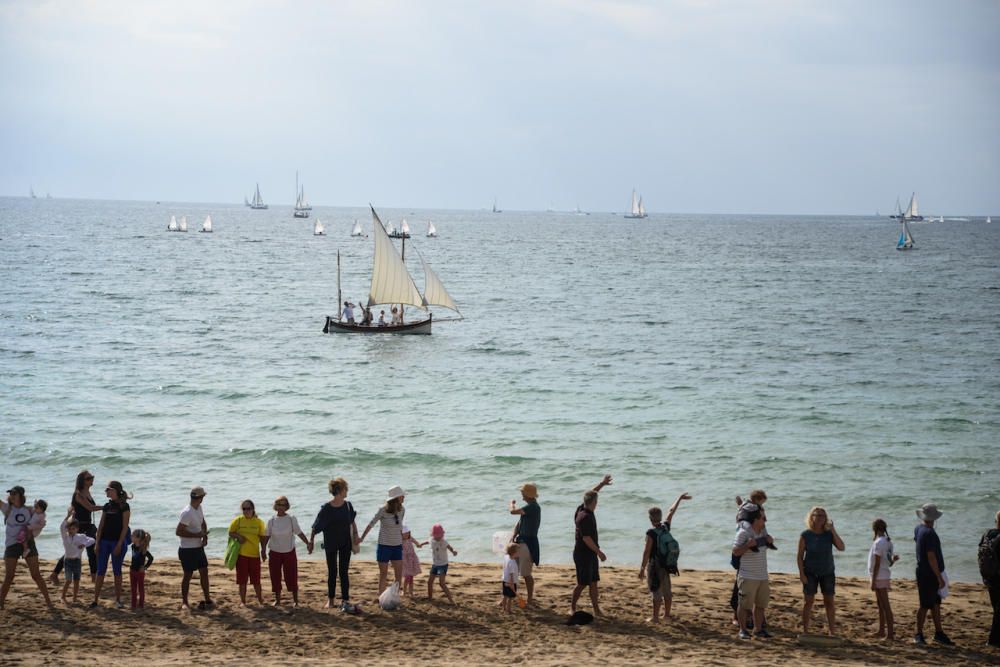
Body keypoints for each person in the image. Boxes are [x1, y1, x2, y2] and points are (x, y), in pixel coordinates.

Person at [638, 493, 691, 623]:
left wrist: (642, 568)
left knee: (656, 590)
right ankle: (666, 615)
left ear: (650, 519)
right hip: (667, 565)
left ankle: (655, 617)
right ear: (660, 518)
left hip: (655, 566)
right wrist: (679, 498)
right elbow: (671, 511)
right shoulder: (665, 527)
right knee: (667, 590)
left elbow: (646, 552)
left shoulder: (651, 533)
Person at [310, 477, 359, 612]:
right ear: (340, 490)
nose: (347, 491)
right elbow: (316, 526)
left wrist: (356, 536)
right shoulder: (327, 508)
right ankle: (330, 600)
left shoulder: (348, 505)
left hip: (345, 543)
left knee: (344, 572)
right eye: (346, 489)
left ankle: (345, 599)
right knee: (332, 571)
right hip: (331, 543)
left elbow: (352, 522)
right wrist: (311, 541)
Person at [0, 486, 52, 608]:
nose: (12, 495)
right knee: (9, 576)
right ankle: (1, 602)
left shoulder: (29, 510)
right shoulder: (7, 508)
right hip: (12, 545)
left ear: (21, 496)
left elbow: (40, 515)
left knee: (36, 575)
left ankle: (48, 601)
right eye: (10, 493)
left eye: (14, 493)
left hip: (28, 544)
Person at [797, 506, 845, 635]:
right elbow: (800, 556)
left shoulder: (829, 534)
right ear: (811, 517)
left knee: (829, 602)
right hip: (810, 572)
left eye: (822, 516)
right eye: (816, 515)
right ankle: (805, 630)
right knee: (808, 601)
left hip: (827, 572)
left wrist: (833, 530)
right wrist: (802, 574)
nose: (819, 518)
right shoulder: (805, 535)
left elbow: (841, 547)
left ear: (826, 519)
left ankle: (831, 631)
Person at [730, 490, 774, 627]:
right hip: (747, 554)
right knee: (742, 588)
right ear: (759, 499)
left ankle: (746, 617)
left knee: (742, 586)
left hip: (748, 554)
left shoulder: (745, 508)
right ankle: (741, 618)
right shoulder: (754, 511)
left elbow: (738, 520)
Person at [571, 474, 613, 617]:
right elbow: (587, 538)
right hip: (583, 554)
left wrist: (602, 484)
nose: (597, 503)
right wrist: (599, 552)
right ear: (594, 503)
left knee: (594, 581)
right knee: (582, 583)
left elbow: (591, 494)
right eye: (597, 501)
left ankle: (596, 610)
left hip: (590, 553)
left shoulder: (582, 507)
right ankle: (572, 607)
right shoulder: (585, 517)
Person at [50, 470, 102, 585]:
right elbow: (90, 508)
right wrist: (106, 507)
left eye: (92, 477)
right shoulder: (78, 494)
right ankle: (94, 578)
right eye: (88, 478)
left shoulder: (87, 492)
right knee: (78, 552)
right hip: (79, 526)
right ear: (82, 481)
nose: (91, 480)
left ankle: (55, 574)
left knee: (87, 551)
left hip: (87, 525)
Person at [913, 503, 953, 645]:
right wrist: (939, 576)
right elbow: (931, 557)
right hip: (928, 574)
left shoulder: (919, 529)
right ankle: (918, 634)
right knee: (925, 604)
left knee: (935, 602)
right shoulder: (930, 533)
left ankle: (939, 632)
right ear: (934, 518)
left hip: (923, 571)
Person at [263, 495, 311, 607]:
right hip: (274, 552)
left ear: (287, 506)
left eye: (283, 504)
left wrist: (308, 543)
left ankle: (295, 601)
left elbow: (299, 532)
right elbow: (266, 536)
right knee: (275, 576)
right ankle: (278, 600)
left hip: (289, 552)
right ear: (275, 506)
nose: (281, 507)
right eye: (279, 504)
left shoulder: (291, 519)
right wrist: (263, 550)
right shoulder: (271, 520)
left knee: (292, 575)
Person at [358, 485, 406, 596]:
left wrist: (403, 542)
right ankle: (381, 598)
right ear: (396, 497)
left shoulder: (402, 510)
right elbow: (371, 524)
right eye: (402, 496)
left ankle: (394, 597)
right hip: (384, 546)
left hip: (397, 546)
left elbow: (399, 527)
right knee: (383, 574)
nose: (404, 497)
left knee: (399, 574)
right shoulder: (383, 510)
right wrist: (362, 538)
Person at [91, 480, 132, 609]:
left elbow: (125, 527)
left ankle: (118, 600)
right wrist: (97, 543)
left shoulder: (124, 506)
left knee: (117, 571)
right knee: (100, 571)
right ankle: (95, 600)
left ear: (116, 491)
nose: (107, 491)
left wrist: (120, 544)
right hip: (104, 542)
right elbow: (101, 525)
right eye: (107, 489)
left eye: (109, 489)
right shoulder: (107, 506)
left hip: (117, 542)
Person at [176, 486, 212, 610]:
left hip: (198, 548)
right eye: (202, 497)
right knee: (188, 574)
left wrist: (205, 536)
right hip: (187, 549)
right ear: (200, 498)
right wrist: (197, 535)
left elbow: (202, 521)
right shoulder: (187, 512)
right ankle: (184, 602)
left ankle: (207, 599)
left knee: (204, 571)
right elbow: (178, 531)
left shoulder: (199, 508)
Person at [229, 499, 266, 606]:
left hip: (255, 555)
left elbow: (263, 538)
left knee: (256, 581)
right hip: (241, 555)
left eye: (248, 508)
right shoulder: (238, 520)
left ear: (253, 509)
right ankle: (243, 602)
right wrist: (238, 536)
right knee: (242, 581)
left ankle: (260, 600)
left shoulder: (259, 522)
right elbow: (231, 532)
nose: (246, 511)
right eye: (244, 509)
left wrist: (263, 551)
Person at [868, 518, 900, 641]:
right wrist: (894, 560)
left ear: (874, 529)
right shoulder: (888, 542)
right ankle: (881, 630)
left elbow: (877, 564)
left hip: (879, 576)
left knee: (885, 605)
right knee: (881, 605)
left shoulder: (878, 543)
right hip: (884, 574)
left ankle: (890, 634)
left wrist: (874, 580)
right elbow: (889, 562)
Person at [509, 482, 541, 606]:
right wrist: (513, 536)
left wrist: (512, 503)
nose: (521, 495)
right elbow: (519, 523)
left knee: (526, 574)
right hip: (520, 542)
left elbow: (512, 512)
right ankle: (508, 597)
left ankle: (530, 599)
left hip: (527, 544)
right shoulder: (529, 507)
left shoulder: (533, 507)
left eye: (522, 493)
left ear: (527, 494)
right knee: (513, 571)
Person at [59, 509, 96, 604]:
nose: (71, 530)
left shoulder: (81, 537)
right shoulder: (65, 536)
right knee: (68, 580)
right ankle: (63, 596)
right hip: (67, 561)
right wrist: (68, 516)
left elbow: (92, 540)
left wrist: (84, 544)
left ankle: (75, 598)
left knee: (76, 581)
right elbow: (62, 527)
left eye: (73, 529)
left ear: (77, 529)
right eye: (70, 529)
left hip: (77, 561)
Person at [981, 510, 1000, 648]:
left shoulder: (987, 534)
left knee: (996, 608)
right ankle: (993, 640)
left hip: (989, 577)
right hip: (998, 577)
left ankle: (994, 640)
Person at [427, 523, 457, 603]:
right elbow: (427, 541)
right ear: (433, 535)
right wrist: (420, 544)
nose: (438, 537)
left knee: (441, 583)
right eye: (436, 536)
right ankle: (430, 599)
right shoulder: (431, 540)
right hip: (435, 564)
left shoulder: (444, 542)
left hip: (443, 565)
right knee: (429, 582)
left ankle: (451, 600)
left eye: (440, 536)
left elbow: (450, 548)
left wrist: (453, 551)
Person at [129, 528, 153, 609]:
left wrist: (145, 567)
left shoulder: (143, 549)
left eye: (133, 535)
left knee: (141, 589)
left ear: (138, 538)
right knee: (133, 589)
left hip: (140, 572)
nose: (131, 536)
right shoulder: (132, 546)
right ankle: (133, 605)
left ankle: (141, 605)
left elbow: (151, 558)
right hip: (132, 571)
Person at [400, 525, 425, 598]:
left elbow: (417, 544)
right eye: (405, 533)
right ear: (401, 534)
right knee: (407, 577)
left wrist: (420, 544)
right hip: (405, 560)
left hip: (412, 559)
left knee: (411, 577)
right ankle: (404, 592)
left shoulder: (410, 538)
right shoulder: (400, 541)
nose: (407, 534)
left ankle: (411, 592)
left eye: (408, 533)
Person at [501, 542, 520, 613]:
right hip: (510, 582)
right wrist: (511, 583)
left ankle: (504, 609)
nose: (519, 553)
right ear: (514, 553)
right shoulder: (512, 562)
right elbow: (511, 574)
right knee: (510, 597)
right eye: (518, 551)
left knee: (505, 595)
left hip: (504, 580)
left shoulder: (506, 557)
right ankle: (509, 610)